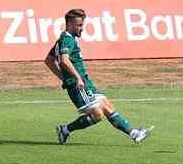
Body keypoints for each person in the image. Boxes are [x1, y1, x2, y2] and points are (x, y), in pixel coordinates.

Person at [47, 8, 151, 145]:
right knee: (97, 114)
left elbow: (49, 60)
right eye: (79, 25)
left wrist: (63, 77)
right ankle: (65, 129)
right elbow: (64, 60)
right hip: (78, 85)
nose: (82, 28)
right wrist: (75, 78)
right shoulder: (67, 40)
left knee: (106, 104)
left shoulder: (65, 39)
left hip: (85, 82)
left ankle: (134, 133)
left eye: (82, 25)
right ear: (70, 24)